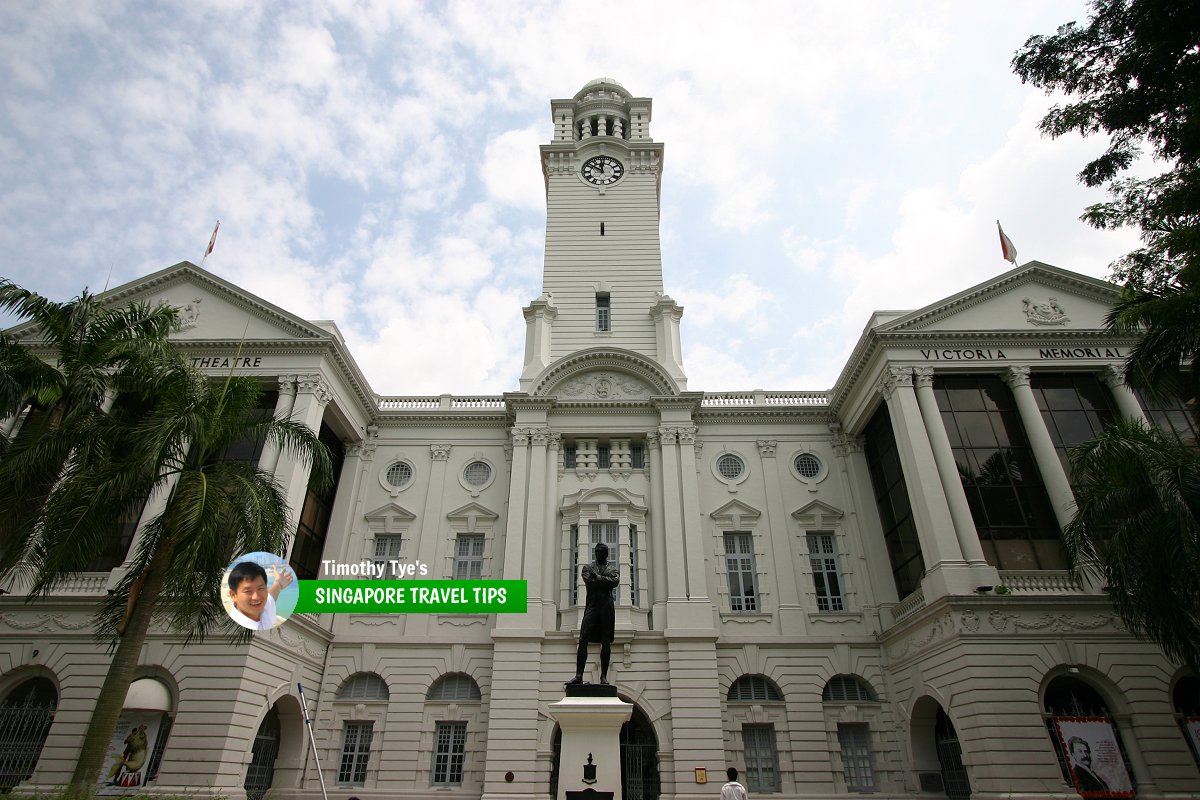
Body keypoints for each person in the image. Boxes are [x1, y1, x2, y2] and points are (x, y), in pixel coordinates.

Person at [566, 542, 619, 685]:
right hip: (592, 606)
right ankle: (579, 675)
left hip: (606, 607)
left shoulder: (612, 568)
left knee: (606, 641)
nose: (598, 554)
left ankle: (603, 676)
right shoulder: (588, 568)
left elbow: (615, 581)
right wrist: (602, 580)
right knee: (583, 638)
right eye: (596, 551)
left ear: (606, 554)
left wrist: (599, 578)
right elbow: (590, 582)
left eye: (601, 552)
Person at [227, 561, 294, 631]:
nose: (256, 597)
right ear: (233, 595)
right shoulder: (232, 628)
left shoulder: (265, 608)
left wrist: (279, 583)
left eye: (261, 588)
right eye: (248, 591)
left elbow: (271, 597)